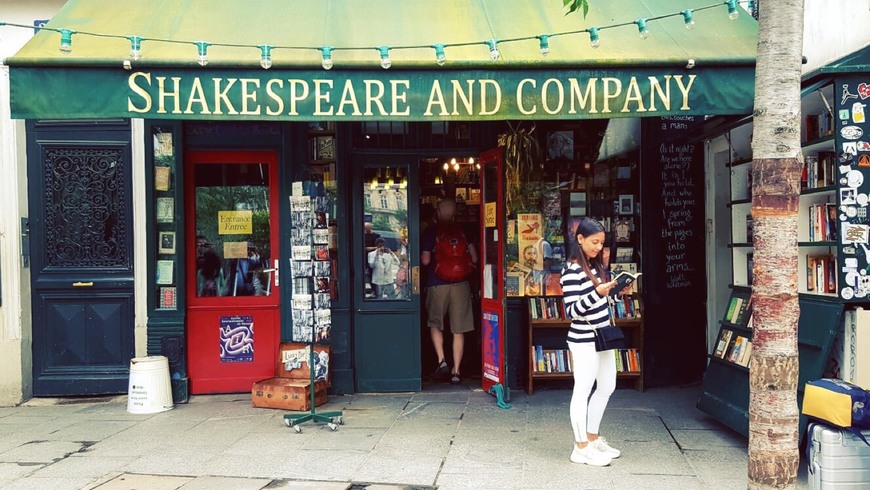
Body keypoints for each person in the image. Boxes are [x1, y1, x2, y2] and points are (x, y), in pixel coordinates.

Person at [560, 217, 621, 467]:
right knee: (582, 390)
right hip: (583, 337)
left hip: (602, 334)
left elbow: (599, 304)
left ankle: (593, 438)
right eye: (595, 242)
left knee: (607, 385)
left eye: (602, 243)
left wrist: (613, 294)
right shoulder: (571, 270)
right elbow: (572, 310)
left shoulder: (596, 268)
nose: (599, 247)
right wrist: (598, 293)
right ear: (580, 239)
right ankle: (580, 446)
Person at [421, 198, 478, 384]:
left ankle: (441, 360)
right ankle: (456, 371)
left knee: (435, 323)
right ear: (454, 212)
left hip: (437, 283)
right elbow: (475, 258)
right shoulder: (464, 231)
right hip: (461, 285)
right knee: (459, 328)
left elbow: (426, 261)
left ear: (438, 211)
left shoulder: (431, 232)